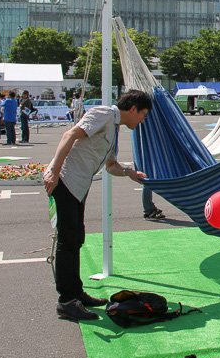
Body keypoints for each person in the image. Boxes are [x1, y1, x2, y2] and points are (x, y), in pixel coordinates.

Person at [43, 89, 152, 321]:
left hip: (78, 187)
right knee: (67, 240)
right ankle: (66, 301)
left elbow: (111, 166)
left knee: (76, 239)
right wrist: (53, 171)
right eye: (143, 114)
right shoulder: (104, 113)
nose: (143, 119)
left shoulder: (114, 129)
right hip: (64, 181)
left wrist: (129, 172)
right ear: (132, 109)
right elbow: (69, 135)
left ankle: (76, 292)